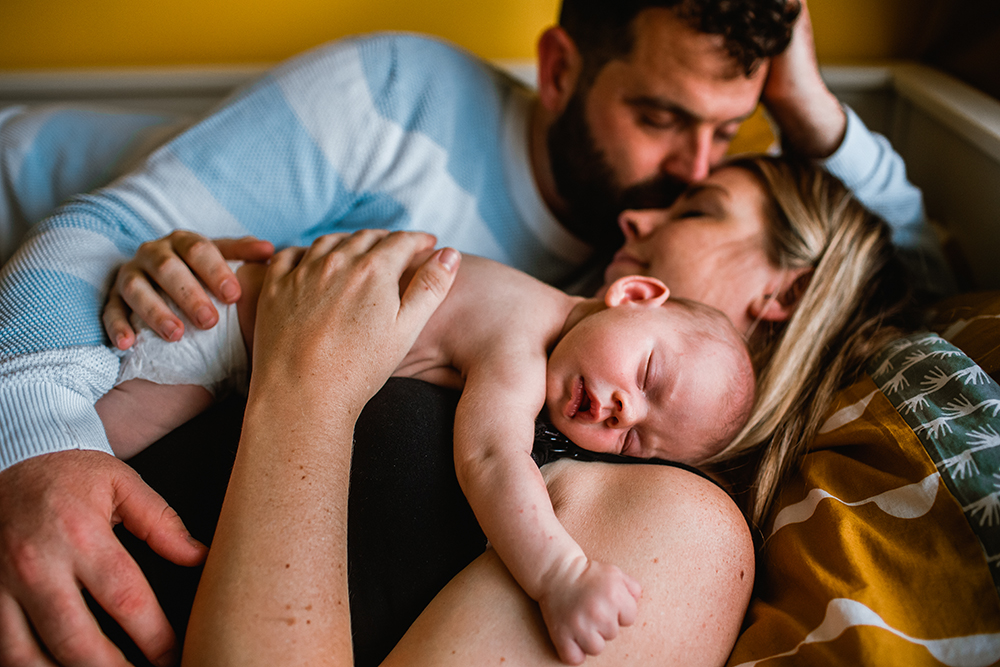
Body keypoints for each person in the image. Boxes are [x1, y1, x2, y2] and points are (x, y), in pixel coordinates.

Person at [0, 1, 947, 665]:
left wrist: (811, 108)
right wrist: (32, 449)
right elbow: (97, 230)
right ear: (562, 68)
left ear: (786, 296)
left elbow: (929, 263)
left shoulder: (629, 407)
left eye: (718, 161)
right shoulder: (409, 105)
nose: (650, 208)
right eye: (663, 122)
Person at [97, 228, 755, 663]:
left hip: (235, 349)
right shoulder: (521, 342)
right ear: (633, 293)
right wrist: (560, 575)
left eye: (634, 437)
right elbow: (492, 460)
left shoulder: (536, 326)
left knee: (100, 450)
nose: (619, 410)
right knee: (86, 448)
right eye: (646, 377)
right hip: (211, 333)